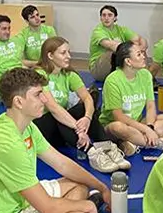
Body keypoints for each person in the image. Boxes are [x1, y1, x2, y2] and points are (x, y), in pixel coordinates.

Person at [0, 67, 111, 213]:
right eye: (38, 95)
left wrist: (101, 187)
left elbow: (62, 163)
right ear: (19, 102)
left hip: (20, 202)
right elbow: (47, 207)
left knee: (80, 186)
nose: (45, 99)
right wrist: (87, 206)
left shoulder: (23, 125)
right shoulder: (7, 144)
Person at [33, 37, 126, 173]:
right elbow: (53, 107)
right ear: (50, 55)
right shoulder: (39, 74)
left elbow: (87, 98)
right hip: (42, 128)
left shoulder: (69, 74)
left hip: (62, 129)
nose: (69, 56)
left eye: (69, 52)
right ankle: (92, 152)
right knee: (58, 115)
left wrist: (87, 118)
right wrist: (79, 130)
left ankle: (108, 147)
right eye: (63, 53)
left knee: (83, 108)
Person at [99, 41, 163, 156]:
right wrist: (146, 130)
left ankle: (135, 143)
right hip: (116, 124)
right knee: (118, 127)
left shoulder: (145, 75)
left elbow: (150, 106)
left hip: (137, 123)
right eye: (139, 54)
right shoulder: (113, 81)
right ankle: (157, 142)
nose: (144, 56)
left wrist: (149, 127)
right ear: (128, 61)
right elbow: (118, 117)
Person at [88, 5, 148, 81]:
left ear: (115, 18)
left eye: (110, 15)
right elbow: (111, 45)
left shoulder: (121, 29)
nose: (106, 18)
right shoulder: (98, 31)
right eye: (104, 15)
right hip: (98, 69)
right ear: (100, 18)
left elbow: (141, 39)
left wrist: (141, 49)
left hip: (116, 65)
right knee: (113, 52)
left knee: (139, 50)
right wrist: (135, 50)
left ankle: (145, 76)